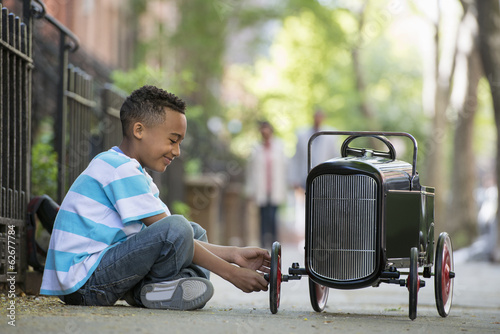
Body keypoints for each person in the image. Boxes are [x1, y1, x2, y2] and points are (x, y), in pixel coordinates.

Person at [40, 85, 270, 310]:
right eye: (172, 140)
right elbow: (171, 232)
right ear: (139, 130)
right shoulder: (118, 168)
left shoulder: (134, 172)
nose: (177, 151)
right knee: (178, 228)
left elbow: (179, 238)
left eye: (180, 143)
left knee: (193, 230)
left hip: (101, 273)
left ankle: (158, 292)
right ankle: (149, 291)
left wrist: (234, 255)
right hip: (84, 283)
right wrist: (232, 274)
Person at [245, 121, 288, 249]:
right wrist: (249, 190)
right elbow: (250, 171)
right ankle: (263, 242)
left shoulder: (280, 147)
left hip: (275, 188)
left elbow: (285, 169)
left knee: (273, 216)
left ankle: (275, 242)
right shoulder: (256, 149)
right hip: (261, 188)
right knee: (263, 216)